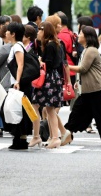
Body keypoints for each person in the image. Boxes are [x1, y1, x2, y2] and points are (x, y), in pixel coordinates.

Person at [64, 26, 101, 144]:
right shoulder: (86, 50)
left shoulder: (91, 50)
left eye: (80, 34)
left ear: (87, 37)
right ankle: (68, 132)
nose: (78, 36)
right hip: (89, 89)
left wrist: (67, 67)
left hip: (97, 88)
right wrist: (78, 82)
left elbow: (83, 68)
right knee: (78, 111)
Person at [33, 21, 68, 149]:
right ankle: (55, 137)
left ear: (45, 31)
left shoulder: (49, 45)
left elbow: (48, 64)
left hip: (49, 79)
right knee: (50, 109)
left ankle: (55, 138)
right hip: (55, 78)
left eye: (40, 30)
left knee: (49, 109)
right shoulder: (56, 44)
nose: (38, 32)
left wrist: (39, 61)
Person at [3, 22, 37, 150]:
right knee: (19, 110)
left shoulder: (17, 47)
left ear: (13, 34)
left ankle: (20, 139)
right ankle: (20, 139)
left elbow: (20, 65)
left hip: (20, 84)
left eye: (8, 31)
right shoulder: (18, 46)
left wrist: (17, 81)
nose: (5, 33)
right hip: (21, 83)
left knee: (16, 110)